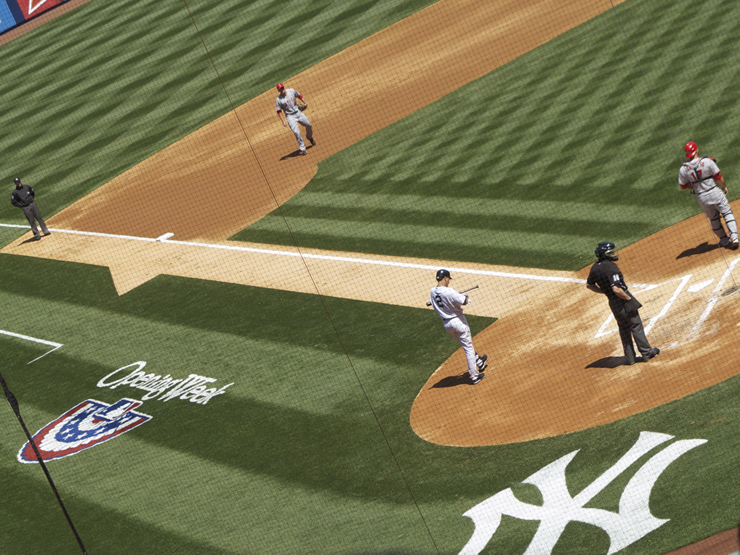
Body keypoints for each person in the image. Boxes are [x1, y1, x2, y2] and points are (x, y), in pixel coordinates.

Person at [587, 242, 660, 366]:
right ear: (604, 255)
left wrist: (605, 292)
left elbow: (590, 285)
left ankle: (630, 358)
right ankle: (647, 353)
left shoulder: (594, 267)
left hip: (612, 302)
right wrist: (628, 299)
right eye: (610, 253)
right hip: (621, 299)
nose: (613, 254)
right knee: (636, 325)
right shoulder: (611, 267)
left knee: (623, 328)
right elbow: (616, 288)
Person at [430, 269, 488, 384]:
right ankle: (475, 377)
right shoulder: (449, 292)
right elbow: (465, 301)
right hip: (458, 322)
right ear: (445, 278)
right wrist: (465, 295)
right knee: (469, 348)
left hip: (446, 324)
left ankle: (480, 362)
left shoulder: (432, 291)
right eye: (448, 279)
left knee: (465, 345)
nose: (449, 282)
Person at [678, 141, 738, 249]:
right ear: (696, 150)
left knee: (714, 219)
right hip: (714, 192)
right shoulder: (707, 161)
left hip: (702, 197)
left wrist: (692, 186)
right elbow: (718, 176)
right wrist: (724, 186)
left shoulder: (683, 168)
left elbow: (682, 185)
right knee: (727, 213)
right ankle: (734, 237)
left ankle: (724, 240)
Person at [275, 82, 315, 156]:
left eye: (282, 88)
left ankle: (310, 137)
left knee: (309, 125)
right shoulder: (278, 100)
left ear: (284, 87)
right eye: (280, 89)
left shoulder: (291, 91)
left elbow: (299, 95)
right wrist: (283, 121)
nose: (282, 90)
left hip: (298, 112)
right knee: (296, 132)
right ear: (279, 91)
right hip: (290, 117)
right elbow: (279, 111)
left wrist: (305, 102)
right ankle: (302, 149)